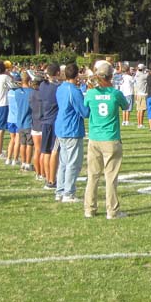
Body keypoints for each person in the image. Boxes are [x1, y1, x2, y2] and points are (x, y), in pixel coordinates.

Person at [83, 60, 129, 219]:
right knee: (111, 177)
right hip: (111, 138)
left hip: (94, 138)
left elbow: (86, 110)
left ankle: (89, 208)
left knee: (93, 175)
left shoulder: (90, 93)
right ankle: (112, 211)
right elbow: (126, 105)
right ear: (110, 76)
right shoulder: (115, 94)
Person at [54, 63, 90, 202]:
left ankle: (60, 190)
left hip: (61, 127)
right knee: (73, 163)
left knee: (63, 162)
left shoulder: (61, 88)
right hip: (71, 129)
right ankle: (68, 193)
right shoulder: (73, 91)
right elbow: (84, 111)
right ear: (76, 75)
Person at [38, 64, 61, 189]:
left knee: (46, 151)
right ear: (57, 73)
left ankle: (48, 178)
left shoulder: (42, 85)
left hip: (45, 121)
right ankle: (52, 180)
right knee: (54, 151)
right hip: (54, 122)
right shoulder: (58, 87)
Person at [133, 64, 148, 129]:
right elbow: (149, 74)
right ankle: (140, 124)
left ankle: (139, 123)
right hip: (143, 94)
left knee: (139, 110)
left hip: (138, 93)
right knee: (142, 110)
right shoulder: (143, 75)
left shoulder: (137, 74)